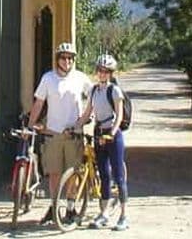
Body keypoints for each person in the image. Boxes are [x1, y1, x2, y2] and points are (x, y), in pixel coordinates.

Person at [27, 42, 92, 225]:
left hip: (73, 133)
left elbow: (94, 96)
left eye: (70, 58)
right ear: (57, 60)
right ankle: (54, 206)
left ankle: (70, 209)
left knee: (72, 173)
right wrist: (30, 125)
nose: (67, 61)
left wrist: (88, 116)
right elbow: (39, 103)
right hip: (53, 133)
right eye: (63, 58)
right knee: (54, 173)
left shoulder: (80, 78)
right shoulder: (48, 78)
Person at [74, 53, 129, 231]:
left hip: (113, 135)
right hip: (98, 134)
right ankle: (104, 213)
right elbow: (87, 113)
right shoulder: (94, 90)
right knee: (104, 175)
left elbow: (119, 116)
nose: (102, 73)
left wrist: (111, 133)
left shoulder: (115, 91)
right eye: (100, 70)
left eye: (106, 71)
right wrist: (75, 126)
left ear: (111, 73)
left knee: (118, 176)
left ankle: (124, 216)